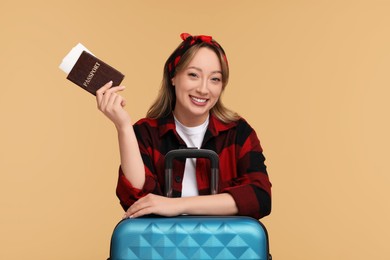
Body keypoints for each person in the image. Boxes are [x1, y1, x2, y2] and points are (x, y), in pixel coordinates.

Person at [96, 33, 272, 220]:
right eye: (193, 75)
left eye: (215, 79)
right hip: (161, 248)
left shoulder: (238, 133)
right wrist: (123, 127)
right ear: (173, 77)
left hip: (222, 248)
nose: (204, 89)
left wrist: (177, 205)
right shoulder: (146, 133)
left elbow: (260, 198)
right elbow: (137, 201)